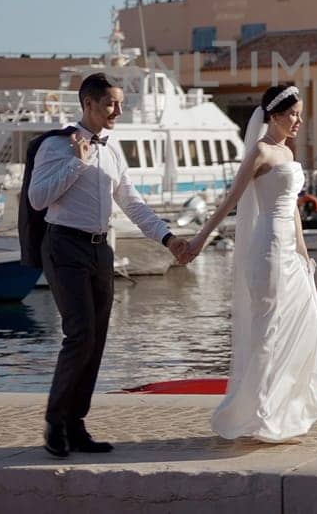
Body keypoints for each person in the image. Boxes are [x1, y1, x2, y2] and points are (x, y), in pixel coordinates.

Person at [26, 73, 191, 458]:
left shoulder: (113, 151)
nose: (118, 110)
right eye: (111, 104)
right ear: (88, 104)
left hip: (101, 249)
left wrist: (169, 240)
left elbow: (131, 203)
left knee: (97, 338)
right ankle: (55, 421)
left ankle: (75, 423)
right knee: (80, 333)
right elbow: (37, 199)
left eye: (119, 103)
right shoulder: (58, 146)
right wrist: (77, 165)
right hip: (64, 245)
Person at [186, 84, 317, 442]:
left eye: (300, 115)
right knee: (267, 331)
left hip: (290, 251)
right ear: (274, 115)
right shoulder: (261, 152)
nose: (298, 121)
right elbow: (230, 200)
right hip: (267, 247)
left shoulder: (287, 152)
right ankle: (258, 416)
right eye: (293, 114)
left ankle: (281, 409)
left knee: (312, 321)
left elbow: (292, 207)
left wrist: (305, 254)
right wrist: (200, 240)